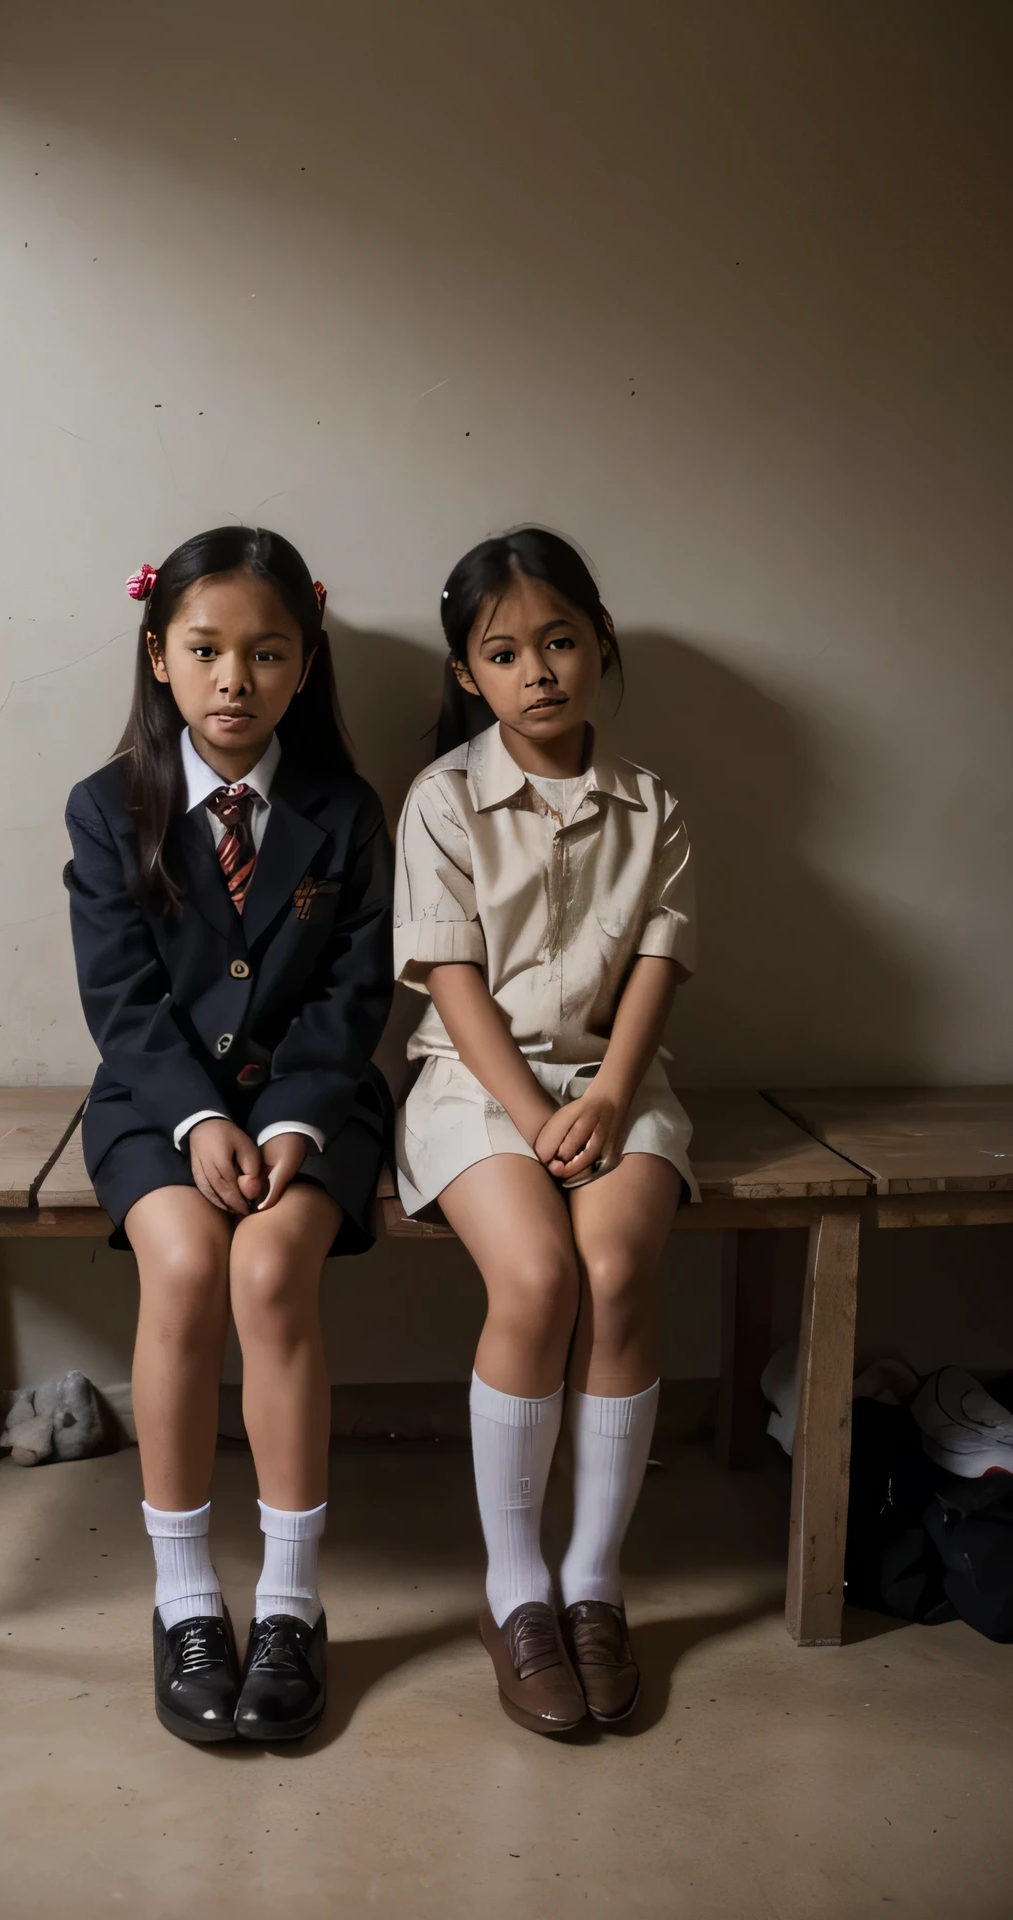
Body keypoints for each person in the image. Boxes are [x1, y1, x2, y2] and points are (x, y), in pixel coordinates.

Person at [64, 526, 393, 1744]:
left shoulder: (347, 813)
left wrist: (294, 1122)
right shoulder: (109, 811)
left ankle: (294, 1607)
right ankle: (187, 1600)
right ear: (159, 655)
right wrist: (199, 1117)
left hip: (315, 1102)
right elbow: (120, 999)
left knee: (268, 1268)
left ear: (303, 665)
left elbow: (354, 996)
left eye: (264, 653)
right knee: (191, 1262)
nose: (233, 680)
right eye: (204, 650)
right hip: (155, 1102)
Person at [393, 527, 697, 1736]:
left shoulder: (654, 806)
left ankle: (592, 1585)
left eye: (559, 640)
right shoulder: (442, 800)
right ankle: (512, 1588)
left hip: (618, 1079)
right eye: (504, 651)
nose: (538, 670)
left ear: (599, 640)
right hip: (476, 1089)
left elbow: (658, 971)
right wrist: (533, 1114)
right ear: (468, 675)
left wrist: (611, 1098)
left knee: (615, 1267)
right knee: (534, 1274)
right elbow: (452, 985)